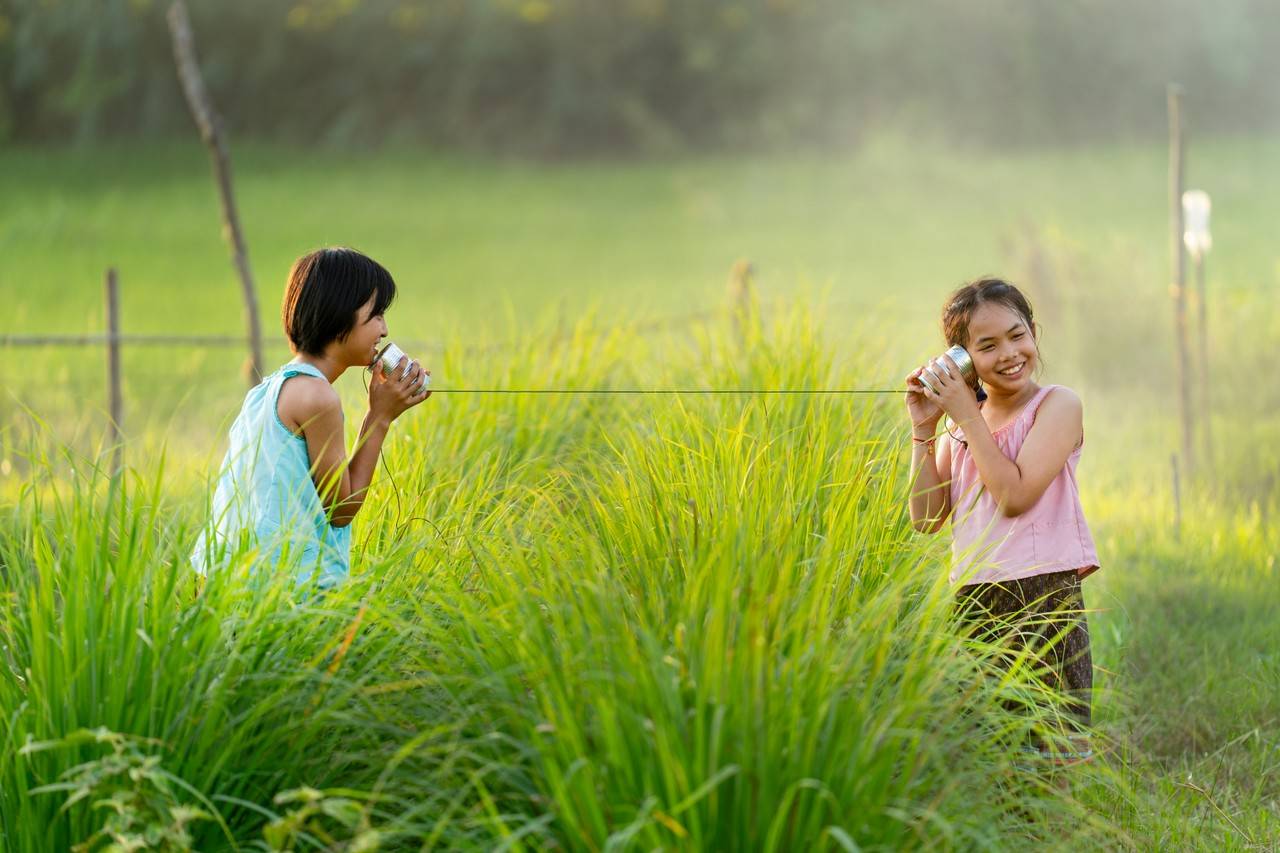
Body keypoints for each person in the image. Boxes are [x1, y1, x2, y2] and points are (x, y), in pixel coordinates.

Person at [904, 276, 1099, 767]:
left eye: (1017, 335)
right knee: (991, 758)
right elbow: (926, 518)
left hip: (1044, 599)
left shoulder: (1057, 405)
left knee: (1047, 758)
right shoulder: (960, 426)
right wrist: (924, 431)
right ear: (963, 359)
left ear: (1034, 331)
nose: (1009, 353)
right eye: (987, 346)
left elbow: (1014, 495)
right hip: (975, 602)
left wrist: (966, 414)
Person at [191, 247, 431, 589]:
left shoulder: (271, 388)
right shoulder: (318, 398)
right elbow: (341, 509)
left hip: (229, 578)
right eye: (376, 314)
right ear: (340, 315)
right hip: (276, 589)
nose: (384, 329)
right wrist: (380, 417)